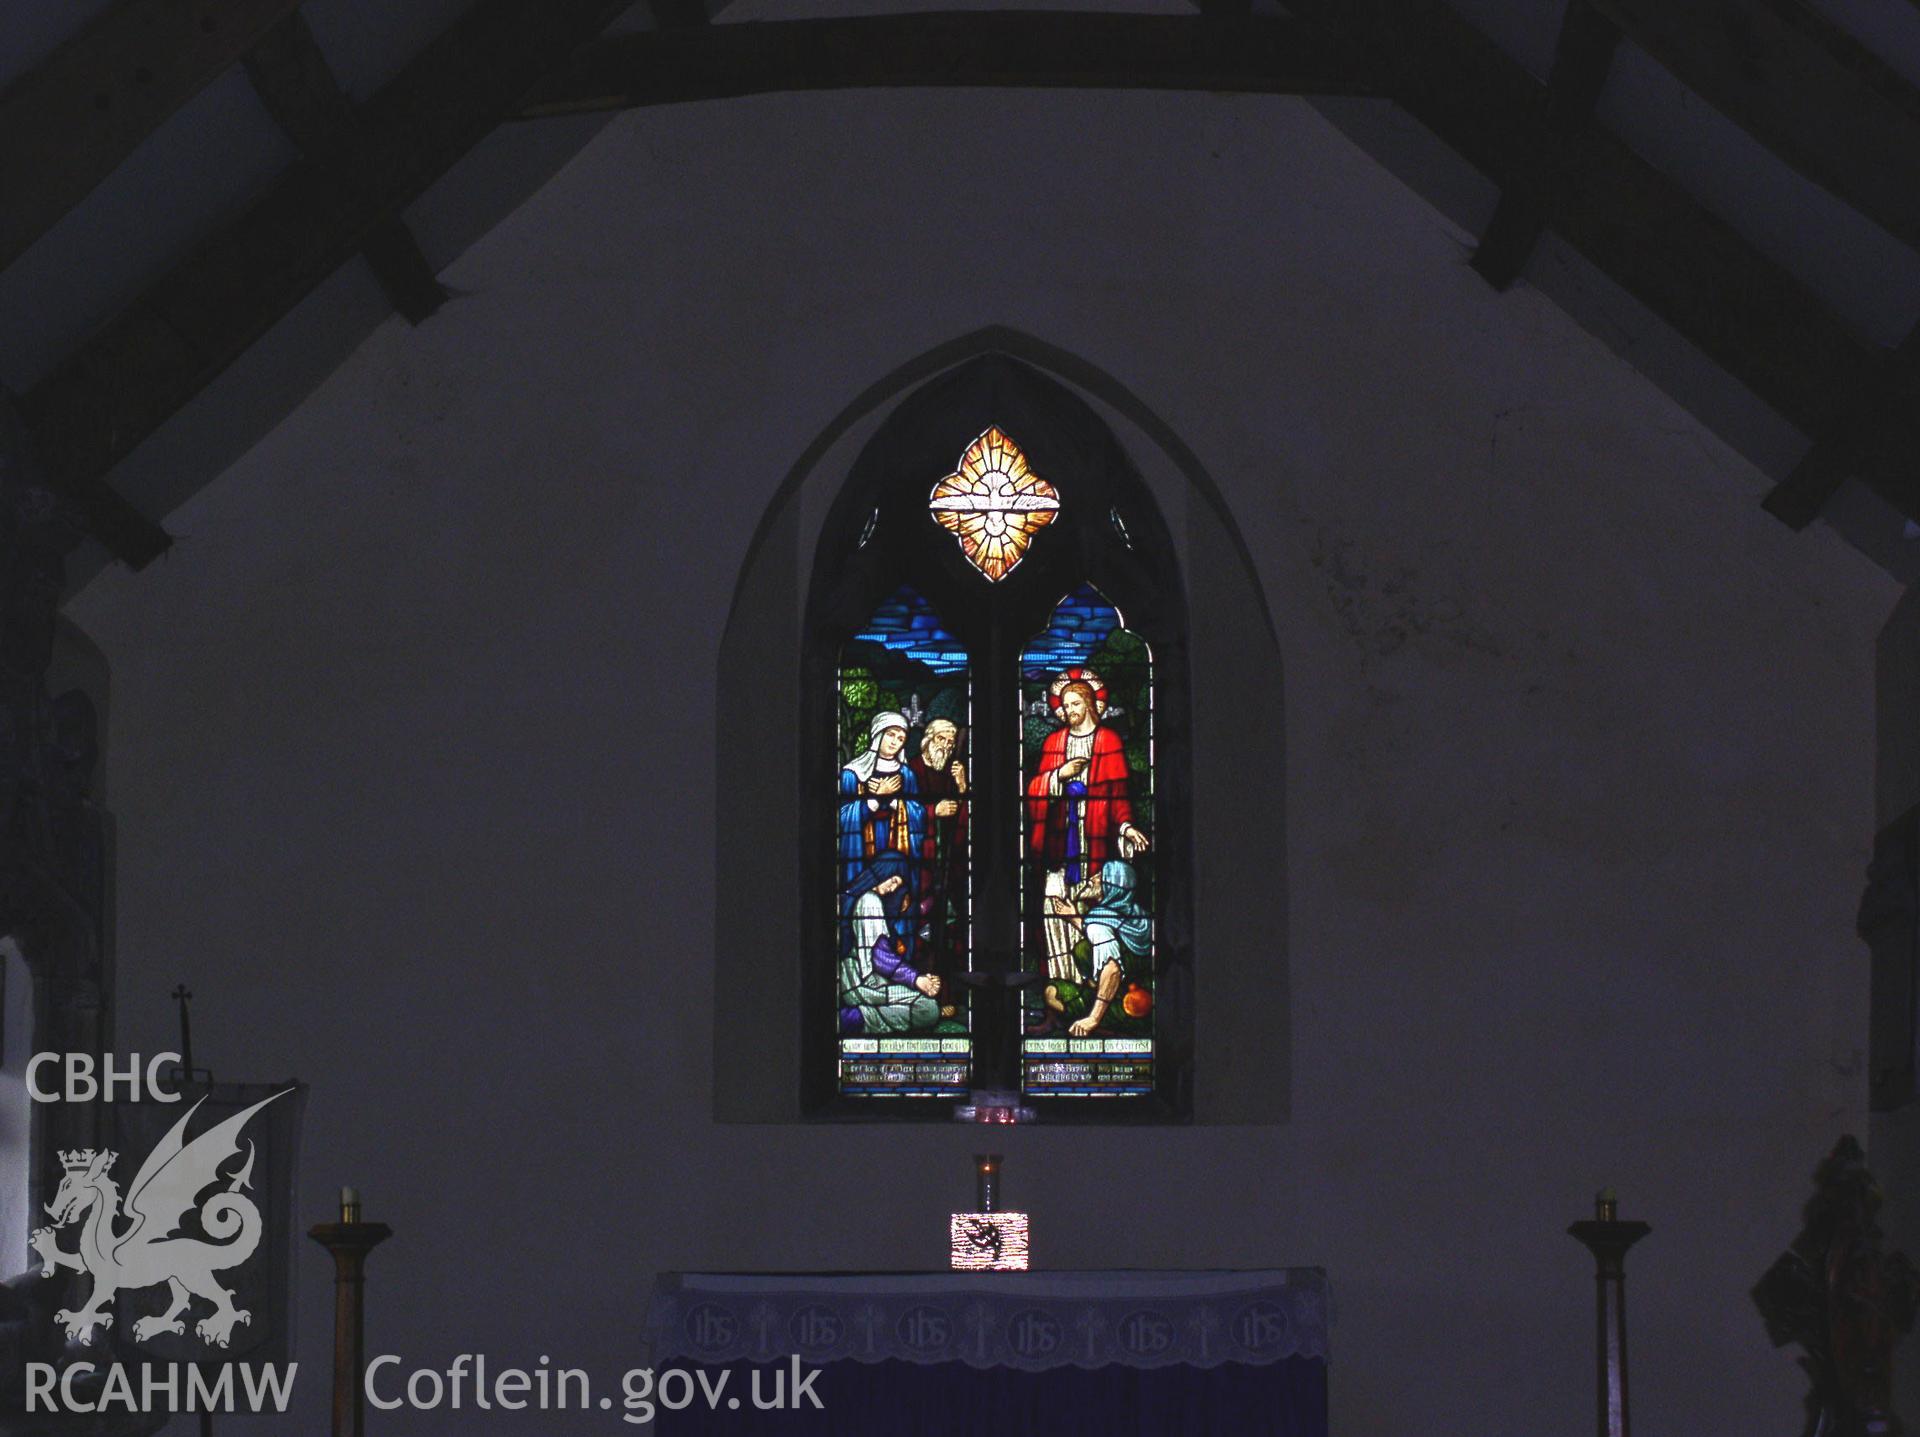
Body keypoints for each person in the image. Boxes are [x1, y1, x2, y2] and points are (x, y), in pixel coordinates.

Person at [1026, 674, 1148, 977]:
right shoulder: (1055, 742)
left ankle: (1089, 983)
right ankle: (1059, 984)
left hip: (1094, 842)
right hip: (1059, 840)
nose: (1070, 710)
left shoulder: (1108, 740)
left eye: (1076, 703)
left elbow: (1118, 795)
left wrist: (1126, 828)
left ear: (1091, 704)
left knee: (1089, 910)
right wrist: (1059, 775)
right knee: (1053, 909)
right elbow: (1034, 790)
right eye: (1066, 705)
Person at [1042, 860, 1152, 1038]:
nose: (1092, 879)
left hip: (1122, 1004)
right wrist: (1075, 919)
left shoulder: (1100, 924)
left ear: (1112, 886)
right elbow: (1106, 936)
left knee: (1051, 993)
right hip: (1138, 999)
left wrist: (1092, 1019)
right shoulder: (1136, 916)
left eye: (1101, 876)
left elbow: (1113, 969)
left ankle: (1112, 1022)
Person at [838, 854, 942, 1034]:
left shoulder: (867, 899)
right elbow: (879, 957)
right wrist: (917, 980)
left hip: (865, 982)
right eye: (893, 880)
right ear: (882, 871)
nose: (893, 887)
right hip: (862, 985)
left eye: (897, 884)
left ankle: (858, 1017)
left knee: (926, 1006)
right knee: (928, 1009)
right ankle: (854, 1018)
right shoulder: (870, 901)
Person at [837, 710, 925, 886]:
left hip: (897, 842)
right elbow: (843, 816)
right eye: (891, 735)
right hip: (861, 846)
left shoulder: (906, 774)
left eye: (901, 739)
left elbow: (919, 813)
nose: (895, 742)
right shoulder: (853, 773)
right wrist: (875, 799)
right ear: (878, 735)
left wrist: (894, 802)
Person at [909, 718, 967, 960]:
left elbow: (964, 822)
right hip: (918, 861)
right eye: (940, 739)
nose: (945, 746)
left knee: (948, 927)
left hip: (947, 860)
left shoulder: (951, 775)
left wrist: (963, 786)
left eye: (951, 743)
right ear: (927, 741)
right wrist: (934, 812)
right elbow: (901, 813)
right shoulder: (911, 771)